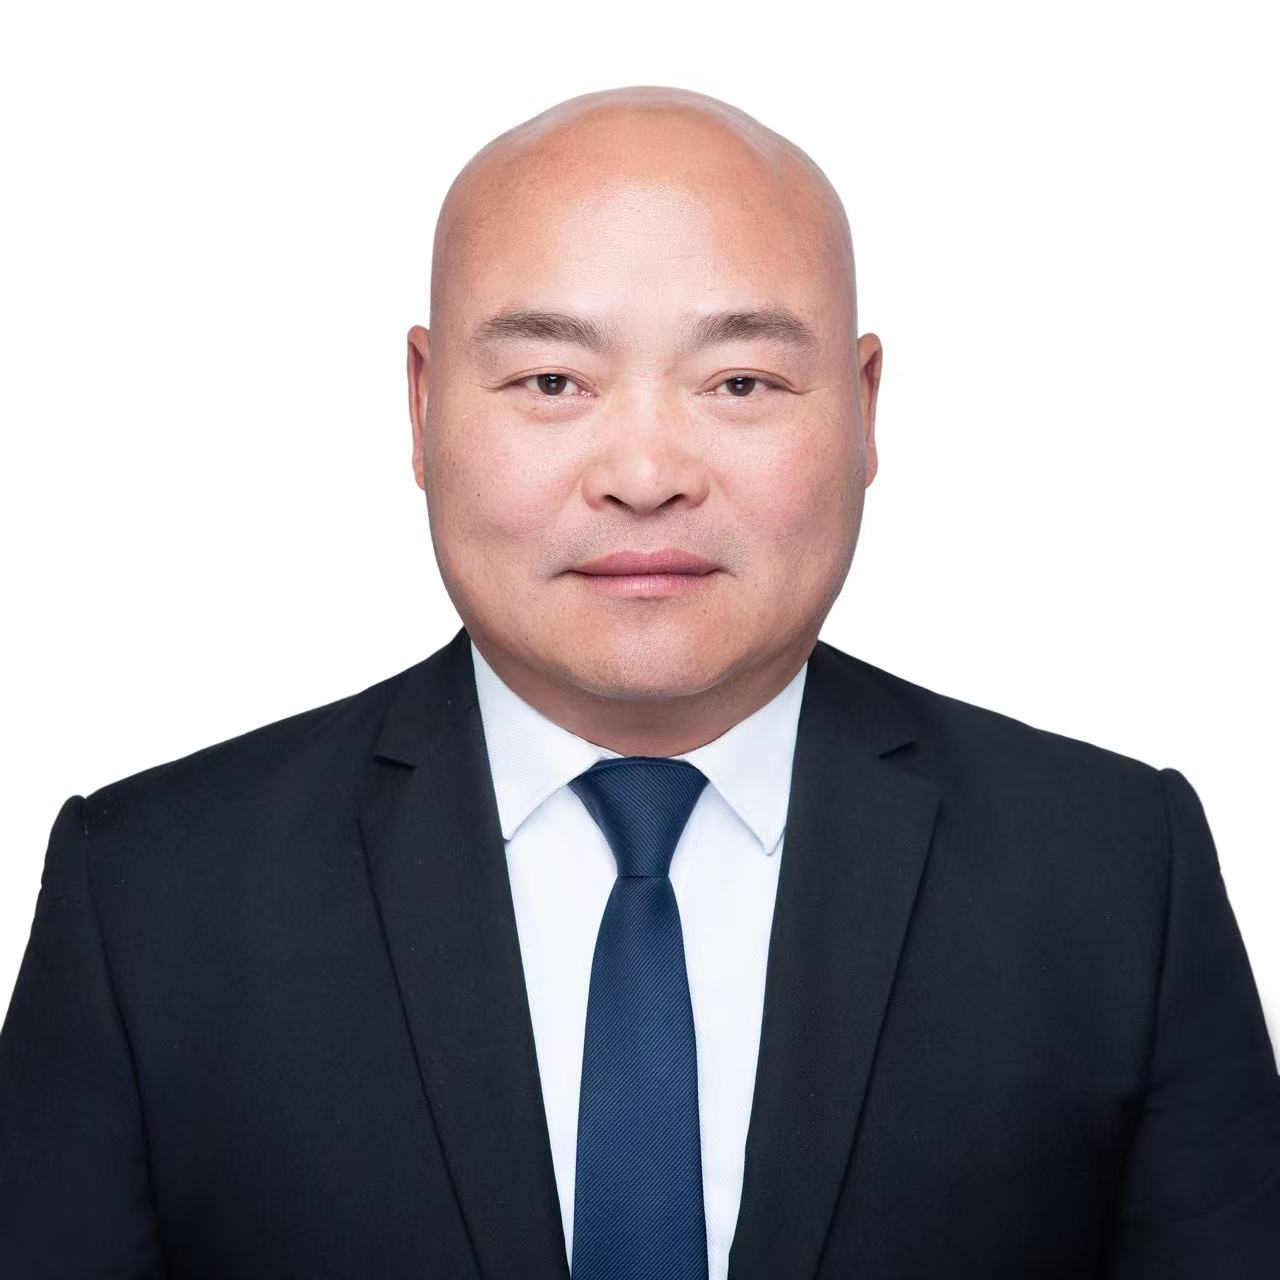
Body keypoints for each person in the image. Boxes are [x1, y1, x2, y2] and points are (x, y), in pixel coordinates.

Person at [1, 83, 1277, 1280]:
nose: (645, 473)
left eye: (740, 382)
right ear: (424, 405)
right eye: (552, 381)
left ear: (862, 408)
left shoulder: (1117, 874)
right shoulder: (149, 895)